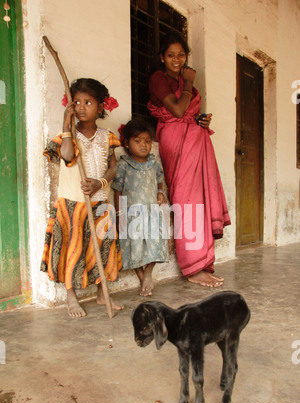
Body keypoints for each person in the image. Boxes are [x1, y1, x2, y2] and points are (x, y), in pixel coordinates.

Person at [147, 32, 231, 288]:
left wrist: (201, 121)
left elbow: (188, 113)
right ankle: (192, 267)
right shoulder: (159, 78)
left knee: (200, 200)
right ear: (162, 57)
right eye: (171, 55)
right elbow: (177, 110)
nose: (176, 59)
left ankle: (203, 261)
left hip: (195, 140)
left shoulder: (186, 84)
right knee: (186, 200)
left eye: (181, 55)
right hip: (175, 142)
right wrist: (188, 82)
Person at [41, 78, 123, 317]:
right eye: (76, 102)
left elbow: (112, 167)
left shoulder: (107, 136)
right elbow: (67, 156)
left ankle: (101, 293)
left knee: (103, 247)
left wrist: (101, 182)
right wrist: (66, 124)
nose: (80, 107)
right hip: (72, 203)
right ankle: (71, 296)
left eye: (88, 102)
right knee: (73, 248)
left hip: (100, 202)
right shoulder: (69, 135)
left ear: (100, 108)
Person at [112, 119, 169, 296]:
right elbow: (117, 190)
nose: (143, 145)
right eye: (137, 141)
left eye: (147, 141)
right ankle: (141, 276)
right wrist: (120, 213)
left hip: (152, 212)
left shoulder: (154, 163)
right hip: (131, 215)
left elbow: (159, 179)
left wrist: (160, 192)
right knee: (133, 247)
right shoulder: (123, 165)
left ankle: (148, 273)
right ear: (127, 144)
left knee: (155, 243)